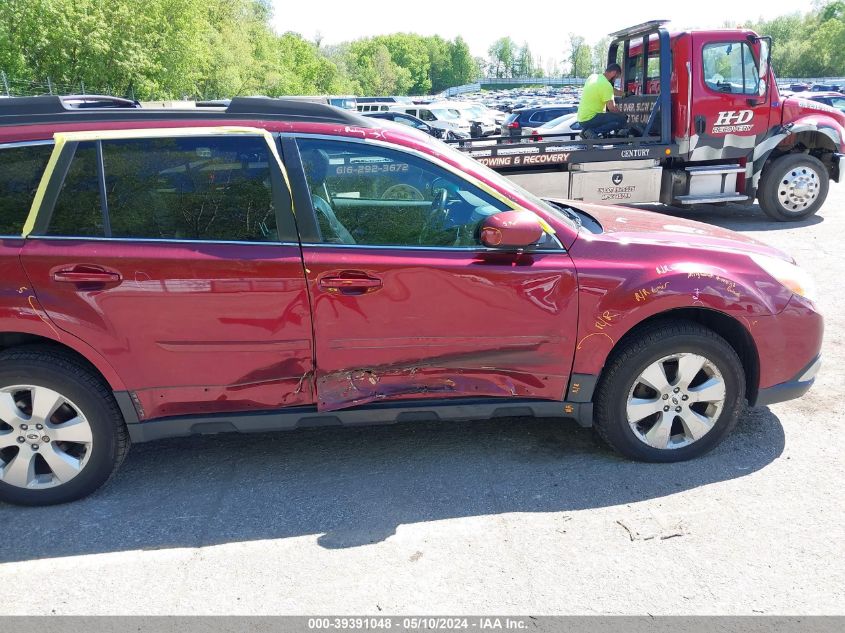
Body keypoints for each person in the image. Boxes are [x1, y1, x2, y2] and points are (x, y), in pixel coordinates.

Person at [578, 63, 628, 139]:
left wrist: (624, 93)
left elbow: (610, 90)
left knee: (611, 117)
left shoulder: (593, 77)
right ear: (614, 73)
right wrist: (622, 115)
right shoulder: (606, 85)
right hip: (592, 118)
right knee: (621, 120)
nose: (615, 80)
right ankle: (593, 131)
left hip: (582, 119)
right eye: (616, 77)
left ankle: (585, 131)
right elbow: (612, 108)